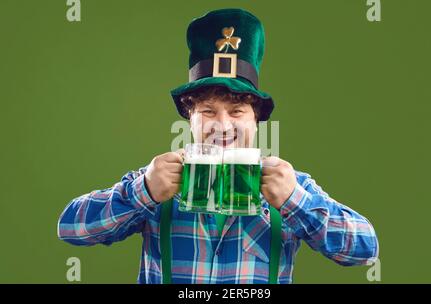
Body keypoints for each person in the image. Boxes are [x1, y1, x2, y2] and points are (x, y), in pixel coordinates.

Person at [57, 8, 378, 284]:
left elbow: (364, 249)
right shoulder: (157, 182)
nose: (222, 126)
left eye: (237, 111)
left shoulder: (290, 186)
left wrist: (296, 201)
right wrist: (143, 191)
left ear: (256, 120)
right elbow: (71, 228)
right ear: (189, 118)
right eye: (208, 111)